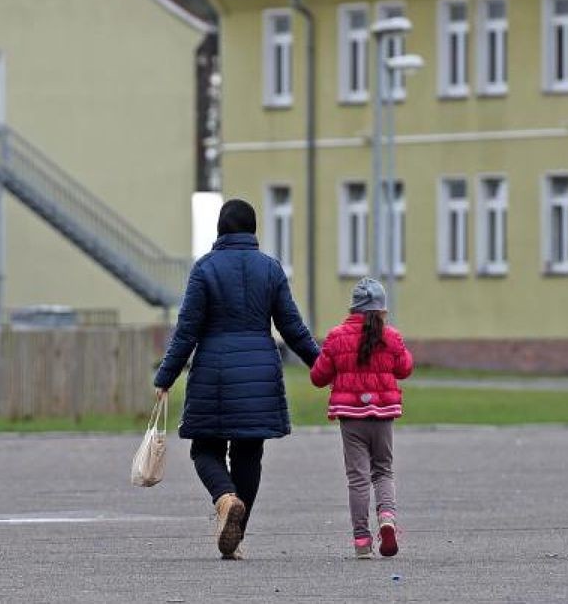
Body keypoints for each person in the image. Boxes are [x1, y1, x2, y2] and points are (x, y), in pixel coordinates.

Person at [153, 199, 319, 560]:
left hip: (214, 371)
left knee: (205, 448)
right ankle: (236, 536)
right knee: (249, 452)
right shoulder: (271, 270)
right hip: (259, 372)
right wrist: (321, 365)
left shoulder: (206, 269)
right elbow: (292, 327)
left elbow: (187, 331)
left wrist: (166, 375)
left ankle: (225, 499)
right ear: (253, 230)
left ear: (220, 229)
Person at [310, 277, 413, 559]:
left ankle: (362, 542)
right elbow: (405, 368)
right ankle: (388, 519)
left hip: (351, 418)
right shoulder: (391, 337)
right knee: (383, 471)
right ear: (381, 310)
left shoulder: (336, 336)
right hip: (383, 416)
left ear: (353, 308)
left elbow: (318, 377)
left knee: (357, 478)